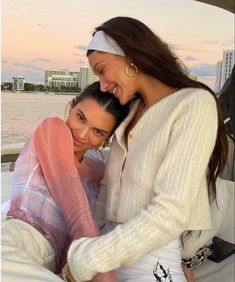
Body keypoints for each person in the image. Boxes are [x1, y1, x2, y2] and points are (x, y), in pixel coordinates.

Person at [66, 17, 229, 282]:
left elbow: (171, 211)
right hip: (105, 255)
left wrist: (91, 257)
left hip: (149, 261)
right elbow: (108, 192)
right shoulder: (130, 111)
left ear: (129, 55)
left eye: (101, 70)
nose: (103, 85)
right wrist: (91, 247)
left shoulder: (193, 105)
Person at [1, 81, 130, 282]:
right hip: (20, 236)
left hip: (53, 264)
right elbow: (75, 208)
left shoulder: (99, 171)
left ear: (106, 139)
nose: (82, 134)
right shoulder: (51, 129)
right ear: (71, 107)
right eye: (80, 117)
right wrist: (100, 269)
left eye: (98, 132)